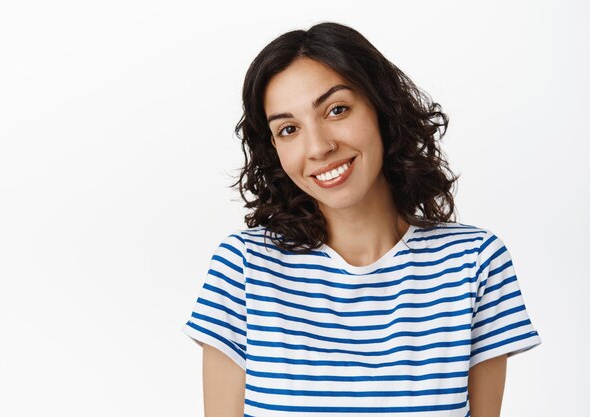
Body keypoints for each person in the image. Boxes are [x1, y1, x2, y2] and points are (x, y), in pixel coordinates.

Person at [181, 21, 542, 417]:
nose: (318, 146)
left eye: (337, 109)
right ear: (275, 150)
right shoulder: (244, 268)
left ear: (381, 108)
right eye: (288, 129)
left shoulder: (473, 263)